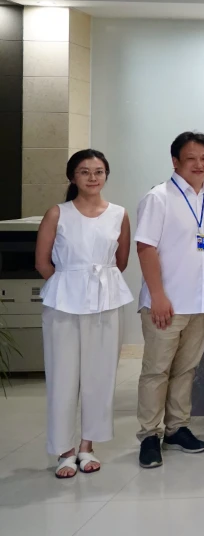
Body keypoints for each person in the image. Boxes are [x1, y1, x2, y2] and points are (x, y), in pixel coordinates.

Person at [35, 150, 133, 478]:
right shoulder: (57, 213)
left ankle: (87, 445)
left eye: (99, 171)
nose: (93, 177)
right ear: (72, 176)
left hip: (106, 301)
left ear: (106, 175)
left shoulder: (119, 214)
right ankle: (64, 449)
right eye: (84, 171)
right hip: (64, 302)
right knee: (62, 375)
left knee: (100, 375)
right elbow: (42, 262)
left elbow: (120, 261)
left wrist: (95, 285)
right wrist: (70, 284)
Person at [135, 131, 204, 468]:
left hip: (200, 302)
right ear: (175, 161)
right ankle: (149, 435)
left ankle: (176, 428)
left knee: (186, 370)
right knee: (156, 371)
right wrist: (158, 296)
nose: (199, 164)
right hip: (166, 303)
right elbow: (145, 247)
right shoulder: (159, 198)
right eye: (191, 158)